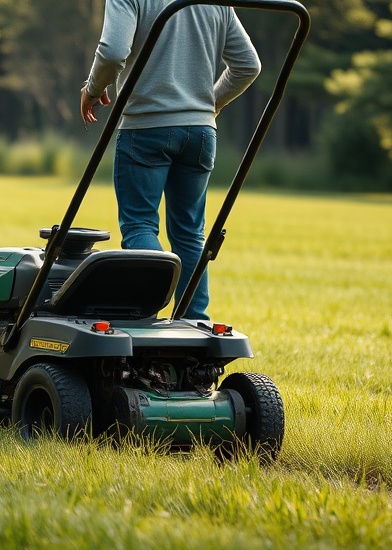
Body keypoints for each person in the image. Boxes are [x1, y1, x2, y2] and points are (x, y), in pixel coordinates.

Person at [81, 0, 261, 320]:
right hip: (202, 132)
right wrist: (210, 104)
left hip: (145, 127)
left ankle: (146, 313)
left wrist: (94, 87)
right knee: (190, 233)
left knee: (139, 225)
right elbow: (248, 65)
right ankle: (194, 321)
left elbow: (112, 53)